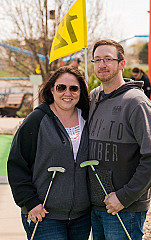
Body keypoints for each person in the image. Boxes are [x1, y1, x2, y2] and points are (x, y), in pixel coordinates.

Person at [7, 66, 91, 240]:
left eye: (73, 88)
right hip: (44, 214)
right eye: (61, 87)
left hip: (82, 217)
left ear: (80, 91)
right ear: (52, 89)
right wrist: (30, 203)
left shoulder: (89, 118)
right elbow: (17, 165)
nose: (67, 93)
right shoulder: (36, 120)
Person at [88, 39, 151, 240]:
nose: (102, 64)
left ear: (121, 64)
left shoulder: (136, 103)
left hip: (125, 208)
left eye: (108, 59)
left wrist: (125, 196)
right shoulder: (94, 98)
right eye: (97, 59)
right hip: (97, 205)